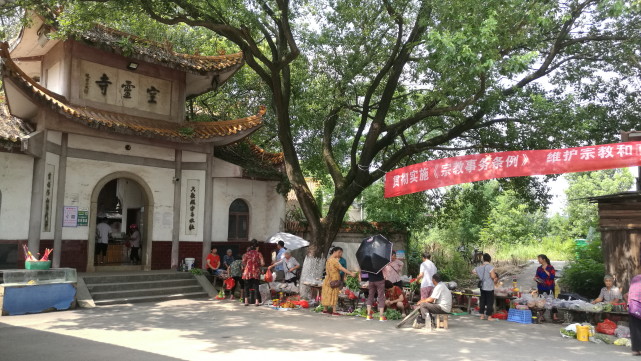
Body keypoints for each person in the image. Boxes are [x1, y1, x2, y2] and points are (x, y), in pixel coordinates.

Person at [321, 247, 356, 315]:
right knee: (334, 294)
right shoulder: (334, 260)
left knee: (327, 294)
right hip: (334, 280)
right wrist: (351, 273)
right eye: (339, 252)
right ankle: (334, 311)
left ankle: (325, 309)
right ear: (334, 252)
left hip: (328, 279)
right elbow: (341, 268)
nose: (340, 254)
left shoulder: (328, 260)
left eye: (341, 252)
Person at [473, 253, 498, 321]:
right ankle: (489, 317)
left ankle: (482, 316)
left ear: (483, 259)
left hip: (482, 286)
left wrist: (480, 275)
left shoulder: (479, 267)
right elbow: (493, 276)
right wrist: (495, 276)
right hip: (489, 286)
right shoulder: (490, 267)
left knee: (482, 300)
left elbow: (473, 271)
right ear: (489, 259)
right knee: (490, 301)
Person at [534, 254, 560, 322]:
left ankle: (554, 315)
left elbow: (552, 276)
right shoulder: (539, 268)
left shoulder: (550, 267)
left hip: (549, 287)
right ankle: (541, 316)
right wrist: (535, 278)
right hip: (541, 287)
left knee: (552, 301)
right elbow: (537, 276)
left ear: (544, 259)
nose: (538, 260)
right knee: (541, 302)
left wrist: (545, 270)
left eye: (539, 259)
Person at [242, 239, 265, 306]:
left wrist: (248, 265)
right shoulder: (259, 254)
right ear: (256, 247)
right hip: (255, 272)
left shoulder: (246, 254)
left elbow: (243, 263)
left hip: (247, 272)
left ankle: (246, 301)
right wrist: (258, 264)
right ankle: (257, 301)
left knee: (246, 286)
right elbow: (263, 263)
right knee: (256, 287)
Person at [627, 274, 641, 356]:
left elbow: (630, 293)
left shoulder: (635, 278)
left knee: (635, 328)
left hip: (634, 306)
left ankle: (636, 349)